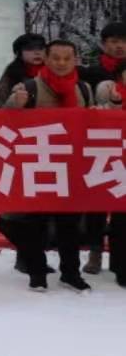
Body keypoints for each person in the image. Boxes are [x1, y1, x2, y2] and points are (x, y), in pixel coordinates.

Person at [3, 39, 94, 292]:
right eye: (56, 58)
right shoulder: (30, 87)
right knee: (35, 222)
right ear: (46, 58)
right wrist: (14, 105)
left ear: (75, 60)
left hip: (71, 165)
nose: (61, 63)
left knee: (69, 225)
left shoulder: (83, 89)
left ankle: (70, 272)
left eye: (67, 58)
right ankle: (36, 272)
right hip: (37, 163)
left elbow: (92, 126)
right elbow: (3, 121)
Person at [79, 22, 126, 274]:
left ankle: (120, 256)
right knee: (97, 202)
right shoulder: (91, 73)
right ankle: (95, 252)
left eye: (124, 41)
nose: (119, 46)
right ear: (104, 44)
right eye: (114, 41)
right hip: (98, 146)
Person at [0, 33, 46, 108]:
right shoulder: (11, 74)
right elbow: (1, 105)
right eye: (30, 48)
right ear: (20, 53)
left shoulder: (55, 70)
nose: (37, 52)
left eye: (41, 48)